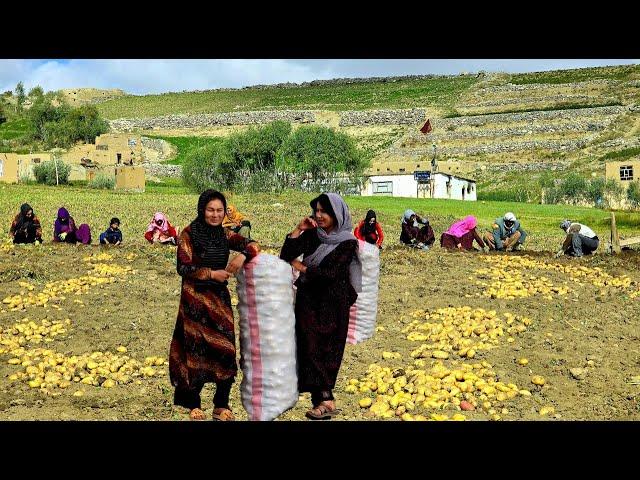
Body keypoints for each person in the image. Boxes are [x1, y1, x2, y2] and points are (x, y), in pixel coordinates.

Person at [169, 190, 260, 421]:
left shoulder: (225, 235)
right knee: (195, 352)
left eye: (220, 210)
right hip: (195, 302)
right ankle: (194, 404)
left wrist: (241, 256)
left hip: (218, 301)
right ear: (202, 210)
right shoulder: (189, 234)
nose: (215, 214)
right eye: (211, 210)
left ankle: (221, 404)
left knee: (226, 350)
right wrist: (211, 273)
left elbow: (254, 245)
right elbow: (184, 267)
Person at [280, 193, 361, 420]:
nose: (318, 215)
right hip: (308, 300)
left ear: (337, 214)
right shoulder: (314, 235)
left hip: (334, 304)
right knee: (309, 346)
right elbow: (285, 254)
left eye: (324, 211)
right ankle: (324, 400)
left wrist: (303, 268)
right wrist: (298, 229)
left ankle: (325, 399)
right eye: (316, 210)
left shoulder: (347, 242)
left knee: (327, 350)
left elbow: (331, 274)